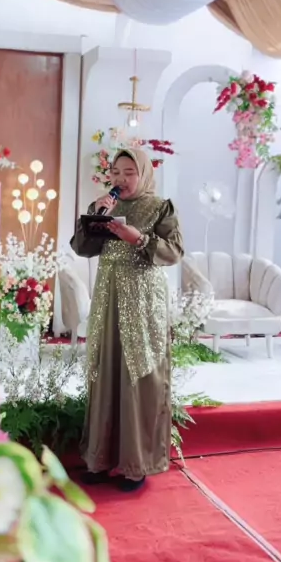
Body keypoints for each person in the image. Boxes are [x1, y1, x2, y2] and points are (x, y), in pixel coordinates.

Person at [70, 148, 184, 492]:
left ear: (143, 173)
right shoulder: (104, 206)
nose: (120, 179)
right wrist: (95, 216)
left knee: (139, 375)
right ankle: (100, 459)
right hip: (108, 297)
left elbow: (174, 252)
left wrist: (139, 239)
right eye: (116, 172)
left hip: (143, 301)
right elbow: (82, 248)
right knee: (106, 371)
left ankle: (137, 465)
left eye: (129, 172)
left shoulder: (159, 207)